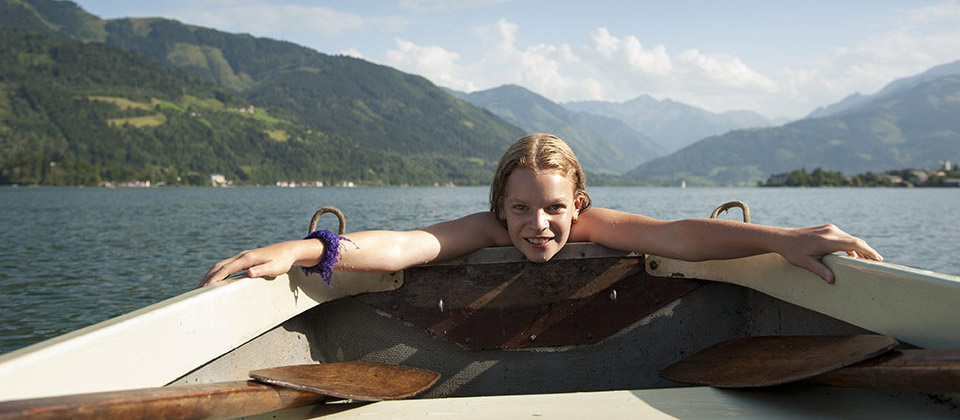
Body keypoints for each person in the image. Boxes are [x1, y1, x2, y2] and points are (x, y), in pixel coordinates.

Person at [200, 133, 881, 287]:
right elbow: (405, 246)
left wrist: (786, 238)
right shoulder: (483, 229)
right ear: (499, 206)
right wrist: (308, 248)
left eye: (554, 208)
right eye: (520, 209)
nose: (538, 225)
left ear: (577, 204)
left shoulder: (593, 225)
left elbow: (678, 235)